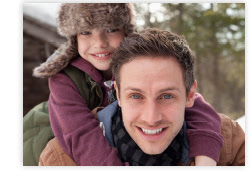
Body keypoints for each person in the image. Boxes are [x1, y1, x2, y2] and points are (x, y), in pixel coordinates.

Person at [24, 3, 223, 166]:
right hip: (52, 130)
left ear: (126, 31)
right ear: (74, 39)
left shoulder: (140, 63)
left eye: (111, 29)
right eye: (86, 32)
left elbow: (193, 104)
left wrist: (206, 152)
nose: (99, 42)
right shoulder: (64, 78)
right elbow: (81, 136)